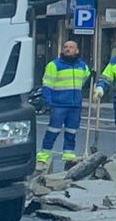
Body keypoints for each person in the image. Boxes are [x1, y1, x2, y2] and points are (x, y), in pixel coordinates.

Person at [38, 39, 92, 172]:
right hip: (59, 103)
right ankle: (44, 153)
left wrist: (92, 76)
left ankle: (69, 153)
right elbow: (47, 84)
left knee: (72, 130)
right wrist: (47, 101)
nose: (68, 49)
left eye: (71, 47)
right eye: (66, 47)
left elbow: (84, 80)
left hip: (75, 104)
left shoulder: (82, 66)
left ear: (77, 50)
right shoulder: (54, 65)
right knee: (53, 130)